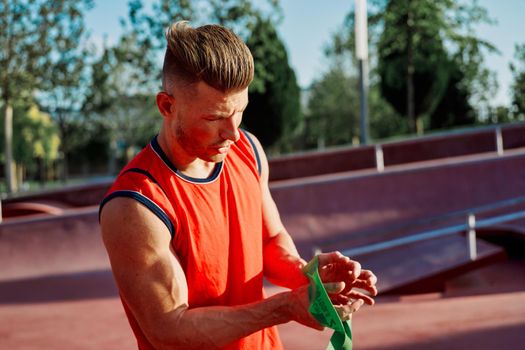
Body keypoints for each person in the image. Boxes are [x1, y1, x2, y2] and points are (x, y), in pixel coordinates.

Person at [99, 21, 377, 350]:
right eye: (214, 118)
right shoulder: (136, 205)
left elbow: (270, 240)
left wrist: (310, 277)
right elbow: (169, 329)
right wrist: (286, 307)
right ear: (167, 106)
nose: (232, 133)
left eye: (240, 112)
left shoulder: (248, 149)